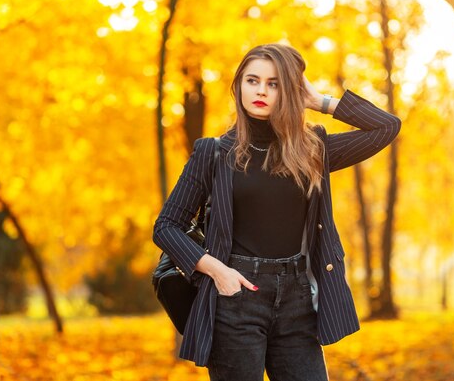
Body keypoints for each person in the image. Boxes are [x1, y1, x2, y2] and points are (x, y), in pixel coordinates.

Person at [153, 43, 401, 381]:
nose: (261, 91)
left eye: (274, 84)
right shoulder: (213, 153)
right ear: (239, 85)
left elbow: (386, 127)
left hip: (298, 298)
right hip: (236, 297)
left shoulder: (312, 149)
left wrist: (318, 101)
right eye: (253, 81)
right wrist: (218, 273)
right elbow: (167, 226)